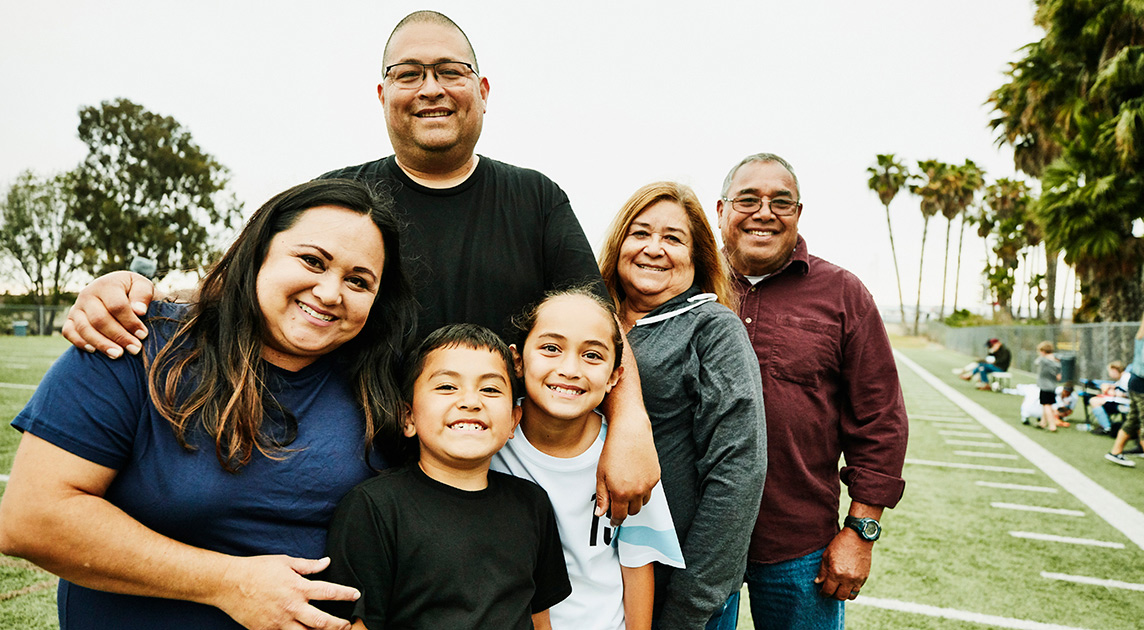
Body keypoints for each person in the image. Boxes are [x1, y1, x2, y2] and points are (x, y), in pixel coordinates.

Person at [59, 9, 658, 522]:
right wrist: (128, 290)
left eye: (451, 72)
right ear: (382, 94)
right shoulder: (338, 198)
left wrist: (630, 423)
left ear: (482, 90)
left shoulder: (535, 198)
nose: (431, 88)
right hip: (355, 469)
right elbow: (246, 288)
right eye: (409, 74)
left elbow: (596, 322)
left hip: (496, 464)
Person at [0, 179, 418, 630]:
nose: (331, 292)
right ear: (258, 253)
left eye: (359, 281)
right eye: (312, 261)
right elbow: (32, 518)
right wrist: (228, 582)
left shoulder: (386, 385)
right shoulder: (135, 342)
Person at [714, 153, 908, 629]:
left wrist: (861, 532)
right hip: (695, 536)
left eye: (781, 201)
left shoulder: (843, 294)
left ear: (798, 213)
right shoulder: (686, 283)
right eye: (748, 199)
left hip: (798, 541)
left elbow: (879, 419)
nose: (764, 212)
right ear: (721, 210)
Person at [320, 324, 571, 629]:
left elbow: (539, 619)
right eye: (446, 387)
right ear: (408, 417)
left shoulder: (532, 504)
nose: (470, 401)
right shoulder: (375, 507)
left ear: (513, 423)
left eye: (490, 389)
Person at [598, 181, 767, 629]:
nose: (654, 248)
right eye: (640, 233)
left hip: (678, 591)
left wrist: (691, 604)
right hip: (594, 577)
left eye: (673, 238)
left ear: (697, 257)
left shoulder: (713, 329)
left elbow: (738, 472)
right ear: (618, 244)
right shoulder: (588, 320)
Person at [493, 287, 685, 630]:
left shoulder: (626, 456)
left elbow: (637, 562)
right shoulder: (489, 446)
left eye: (592, 355)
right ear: (518, 359)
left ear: (615, 376)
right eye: (551, 348)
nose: (569, 368)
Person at [1105, 314, 1144, 467]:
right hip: (1141, 384)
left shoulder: (1140, 335)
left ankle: (1115, 452)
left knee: (1133, 420)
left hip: (1135, 383)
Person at [1090, 360, 1130, 434]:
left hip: (1125, 405)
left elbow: (1125, 394)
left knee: (1094, 401)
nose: (1109, 373)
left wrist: (1112, 392)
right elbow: (1116, 387)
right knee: (1095, 399)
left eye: (1110, 371)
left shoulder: (1126, 377)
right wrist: (1108, 386)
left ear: (1114, 370)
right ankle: (1106, 425)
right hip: (1120, 402)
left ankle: (1107, 428)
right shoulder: (1122, 377)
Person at [1034, 341, 1062, 431]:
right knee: (1046, 405)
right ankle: (1043, 422)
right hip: (1052, 386)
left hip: (1045, 386)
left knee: (1047, 406)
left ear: (1043, 351)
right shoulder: (1057, 362)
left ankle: (1052, 425)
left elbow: (1036, 362)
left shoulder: (1043, 360)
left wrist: (1043, 356)